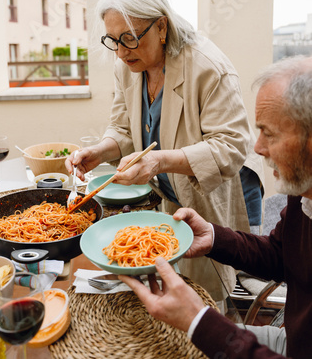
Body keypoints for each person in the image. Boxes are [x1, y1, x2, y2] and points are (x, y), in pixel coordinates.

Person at [66, 0, 263, 304]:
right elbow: (124, 128)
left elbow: (231, 145)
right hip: (166, 192)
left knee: (206, 292)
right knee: (169, 279)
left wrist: (159, 161)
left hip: (208, 191)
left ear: (161, 27)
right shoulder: (127, 65)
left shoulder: (207, 67)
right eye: (112, 40)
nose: (120, 51)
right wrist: (99, 152)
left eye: (129, 38)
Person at [119, 55, 312, 359]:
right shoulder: (303, 190)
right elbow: (280, 254)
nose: (257, 147)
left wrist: (199, 320)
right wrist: (214, 237)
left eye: (269, 133)